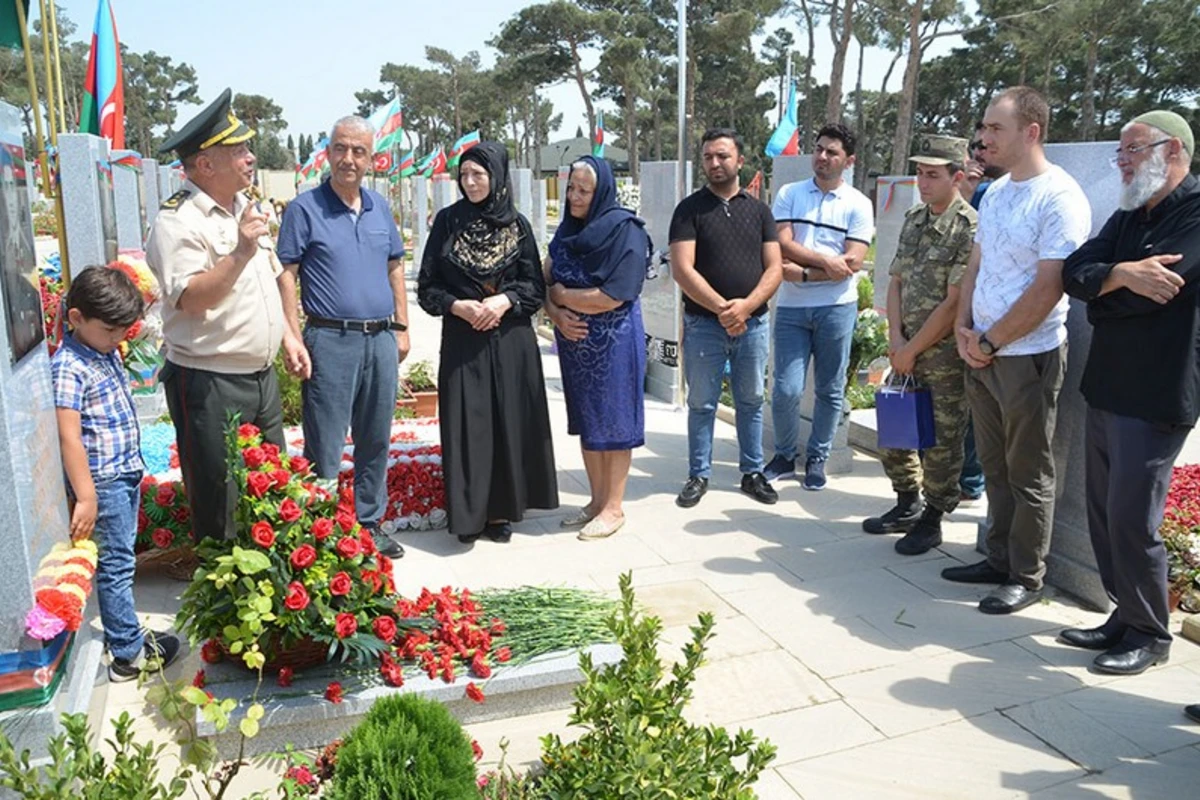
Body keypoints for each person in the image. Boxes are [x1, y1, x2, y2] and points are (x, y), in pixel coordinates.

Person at [1059, 111, 1199, 675]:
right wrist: (1119, 276)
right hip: (1109, 384)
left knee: (1132, 518)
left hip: (1156, 392)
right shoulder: (1127, 217)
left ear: (1173, 151)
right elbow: (1075, 273)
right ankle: (1124, 614)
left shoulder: (1195, 212)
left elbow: (1158, 292)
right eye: (1121, 152)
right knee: (1102, 511)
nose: (1122, 162)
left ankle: (1149, 632)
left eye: (1132, 151)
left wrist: (1109, 287)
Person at [945, 86, 1092, 614]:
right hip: (979, 351)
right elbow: (976, 264)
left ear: (1031, 132)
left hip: (1027, 354)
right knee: (993, 463)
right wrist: (964, 329)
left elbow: (1049, 286)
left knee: (1028, 470)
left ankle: (1027, 577)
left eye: (994, 129)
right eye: (983, 128)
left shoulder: (1061, 197)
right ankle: (998, 556)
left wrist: (989, 340)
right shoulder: (999, 192)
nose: (983, 138)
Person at [146, 88, 288, 543]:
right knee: (220, 503)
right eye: (239, 151)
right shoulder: (178, 220)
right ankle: (223, 606)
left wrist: (290, 337)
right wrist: (241, 252)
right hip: (210, 381)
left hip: (261, 378)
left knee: (273, 496)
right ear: (205, 165)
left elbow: (272, 279)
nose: (250, 158)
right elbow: (189, 298)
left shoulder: (244, 207)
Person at [276, 116, 410, 559]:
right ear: (328, 152)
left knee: (376, 437)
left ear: (371, 159)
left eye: (358, 151)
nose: (348, 159)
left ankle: (370, 523)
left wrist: (402, 326)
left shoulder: (379, 208)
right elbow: (287, 275)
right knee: (326, 442)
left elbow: (394, 265)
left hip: (380, 340)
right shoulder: (304, 209)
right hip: (330, 341)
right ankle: (324, 529)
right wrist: (293, 336)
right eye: (341, 148)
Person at [417, 142, 558, 543]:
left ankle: (501, 513)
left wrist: (504, 300)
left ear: (496, 176)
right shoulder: (447, 223)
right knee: (467, 424)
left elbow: (533, 286)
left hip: (510, 340)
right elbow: (428, 287)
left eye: (479, 174)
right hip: (464, 340)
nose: (471, 182)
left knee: (506, 422)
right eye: (464, 175)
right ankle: (469, 515)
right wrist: (459, 306)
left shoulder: (518, 225)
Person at [51, 266, 181, 682]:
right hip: (102, 482)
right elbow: (69, 436)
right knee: (117, 564)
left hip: (123, 472)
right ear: (76, 319)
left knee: (121, 558)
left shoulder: (102, 351)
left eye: (123, 330)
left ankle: (127, 633)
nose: (118, 338)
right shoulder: (68, 366)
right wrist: (86, 496)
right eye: (110, 329)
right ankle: (127, 653)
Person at [862, 136, 977, 555]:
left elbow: (954, 302)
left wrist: (913, 349)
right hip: (904, 347)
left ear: (957, 177)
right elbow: (895, 282)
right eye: (919, 174)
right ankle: (906, 502)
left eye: (932, 175)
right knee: (893, 429)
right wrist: (896, 340)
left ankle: (933, 517)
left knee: (942, 441)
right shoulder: (914, 220)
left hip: (943, 355)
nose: (922, 183)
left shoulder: (969, 227)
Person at [670, 128, 783, 508]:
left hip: (752, 325)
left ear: (740, 160)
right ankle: (698, 474)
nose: (714, 163)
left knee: (750, 400)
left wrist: (745, 308)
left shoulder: (760, 211)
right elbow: (683, 270)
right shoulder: (689, 210)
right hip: (704, 325)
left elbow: (775, 269)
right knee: (702, 402)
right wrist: (724, 309)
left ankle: (752, 472)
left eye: (722, 156)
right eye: (708, 157)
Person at [544, 156, 650, 541]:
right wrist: (556, 312)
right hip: (575, 345)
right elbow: (546, 278)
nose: (574, 196)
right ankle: (595, 500)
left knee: (615, 421)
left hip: (614, 343)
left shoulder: (627, 232)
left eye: (583, 191)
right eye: (572, 188)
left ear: (601, 190)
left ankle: (613, 507)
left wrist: (564, 295)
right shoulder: (569, 230)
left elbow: (614, 295)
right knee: (589, 419)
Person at [764, 123, 875, 491]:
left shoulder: (859, 204)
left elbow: (854, 263)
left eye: (832, 152)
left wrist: (806, 274)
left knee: (830, 389)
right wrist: (827, 264)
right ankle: (782, 455)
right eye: (819, 149)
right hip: (793, 309)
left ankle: (817, 458)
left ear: (849, 161)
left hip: (836, 308)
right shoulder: (790, 193)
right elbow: (782, 244)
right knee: (786, 388)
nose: (822, 157)